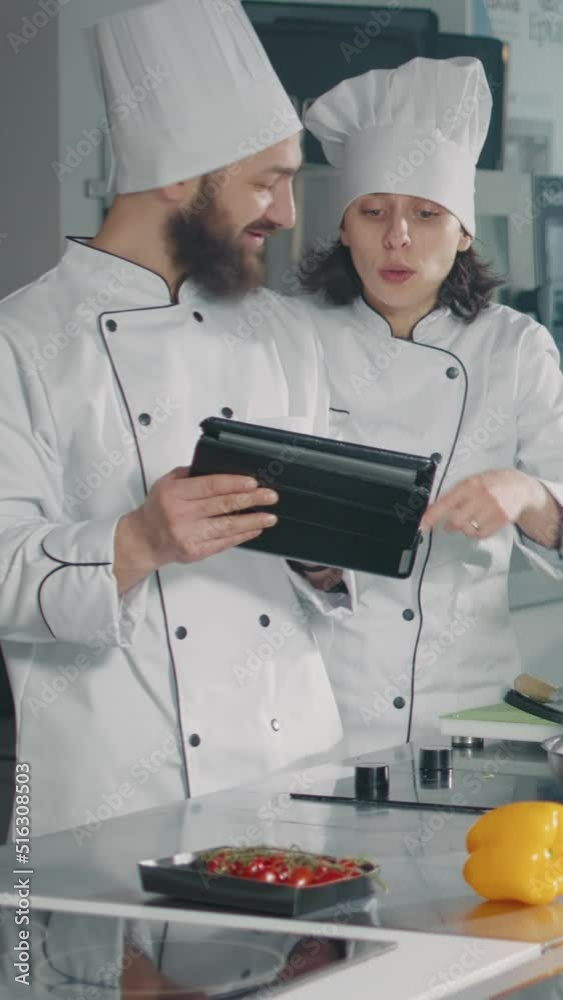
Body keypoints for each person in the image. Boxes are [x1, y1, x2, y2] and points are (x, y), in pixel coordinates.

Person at [0, 0, 351, 837]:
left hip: (292, 776)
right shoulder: (22, 340)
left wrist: (327, 558)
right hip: (113, 799)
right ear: (175, 175)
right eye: (265, 180)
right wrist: (140, 540)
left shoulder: (286, 335)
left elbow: (328, 576)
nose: (285, 213)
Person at [296, 57, 563, 756]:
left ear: (463, 230)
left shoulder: (514, 348)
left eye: (426, 213)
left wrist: (526, 492)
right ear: (344, 226)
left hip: (470, 705)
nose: (398, 238)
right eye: (373, 211)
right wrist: (311, 563)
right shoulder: (287, 338)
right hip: (319, 704)